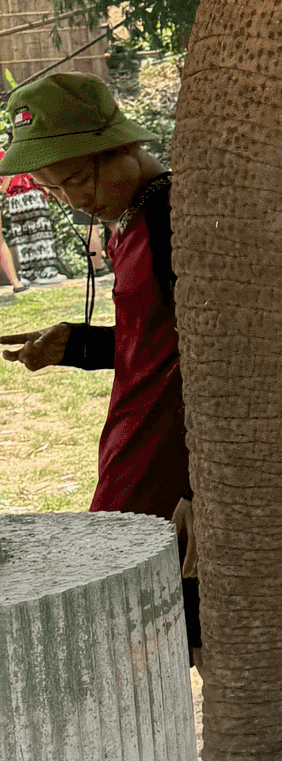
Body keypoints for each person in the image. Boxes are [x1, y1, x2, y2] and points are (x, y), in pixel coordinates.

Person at [1, 73, 200, 666]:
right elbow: (155, 341)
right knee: (149, 633)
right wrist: (77, 344)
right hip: (134, 443)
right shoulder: (128, 222)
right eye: (56, 189)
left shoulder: (171, 217)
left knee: (162, 632)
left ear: (123, 146)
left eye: (81, 177)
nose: (75, 199)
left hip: (174, 455)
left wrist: (204, 486)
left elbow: (217, 354)